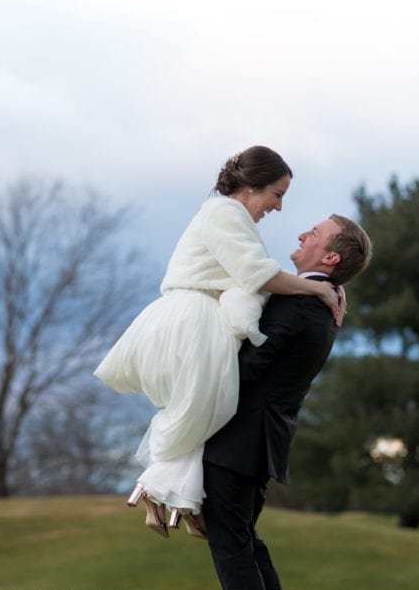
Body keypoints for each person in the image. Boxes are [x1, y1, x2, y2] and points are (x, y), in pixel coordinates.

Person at [93, 147, 345, 538]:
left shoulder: (237, 220)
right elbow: (257, 276)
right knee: (210, 407)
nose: (278, 207)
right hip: (191, 322)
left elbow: (258, 279)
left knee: (213, 412)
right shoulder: (223, 213)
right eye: (277, 194)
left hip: (203, 320)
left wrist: (326, 287)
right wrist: (319, 292)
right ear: (251, 185)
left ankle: (177, 500)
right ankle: (160, 490)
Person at [202, 212, 372, 590]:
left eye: (313, 233)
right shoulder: (320, 302)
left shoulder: (299, 305)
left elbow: (247, 368)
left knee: (232, 543)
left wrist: (195, 374)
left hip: (241, 438)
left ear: (330, 256)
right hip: (262, 440)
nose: (301, 234)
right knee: (245, 540)